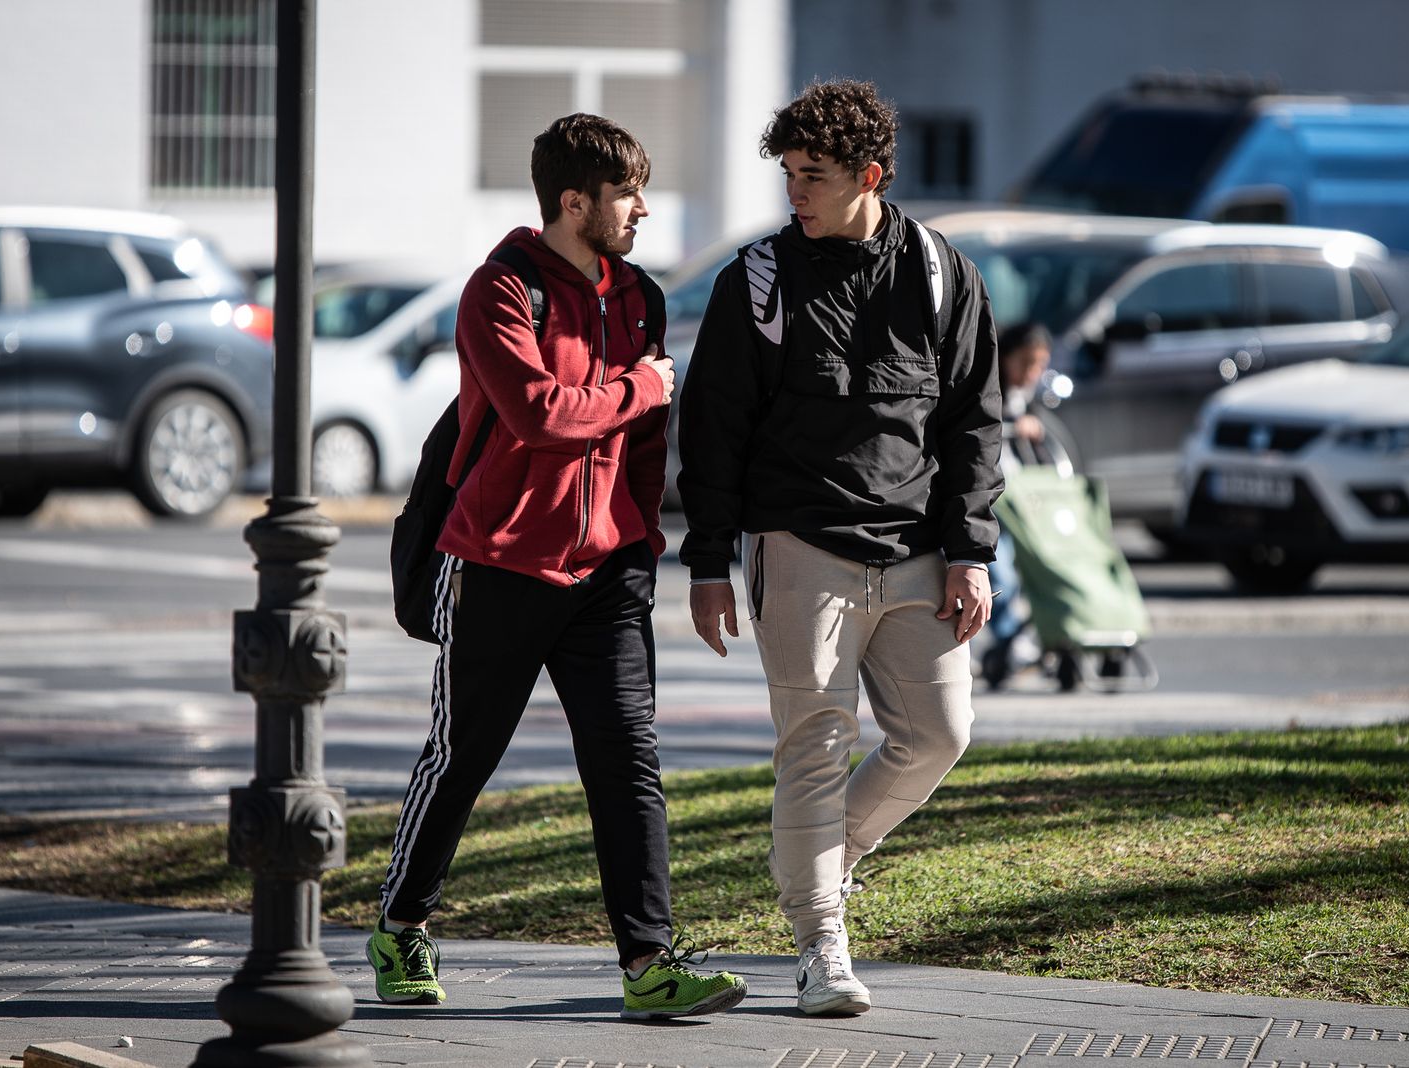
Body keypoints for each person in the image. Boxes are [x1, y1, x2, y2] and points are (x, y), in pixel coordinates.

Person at [367, 113, 747, 1022]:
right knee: (464, 756)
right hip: (499, 562)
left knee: (629, 763)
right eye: (627, 196)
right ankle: (401, 926)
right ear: (574, 203)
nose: (642, 210)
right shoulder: (500, 293)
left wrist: (643, 542)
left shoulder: (642, 296)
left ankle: (649, 965)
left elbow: (648, 446)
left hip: (610, 572)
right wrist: (640, 388)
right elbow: (541, 413)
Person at [677, 80, 1003, 1016]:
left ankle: (817, 858)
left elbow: (975, 428)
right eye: (787, 174)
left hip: (918, 555)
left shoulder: (942, 273)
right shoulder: (759, 281)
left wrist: (969, 553)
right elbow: (715, 431)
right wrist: (707, 562)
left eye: (812, 176)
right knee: (813, 751)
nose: (795, 194)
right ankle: (822, 941)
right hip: (799, 549)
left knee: (940, 735)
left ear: (870, 176)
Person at [981, 321, 1052, 687]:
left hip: (1023, 495)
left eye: (1039, 364)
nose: (1031, 372)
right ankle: (1011, 636)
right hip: (993, 496)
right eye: (1024, 362)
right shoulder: (990, 391)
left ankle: (1033, 634)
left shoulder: (1028, 397)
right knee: (1000, 568)